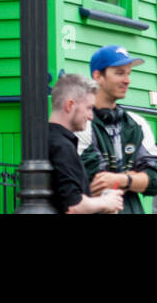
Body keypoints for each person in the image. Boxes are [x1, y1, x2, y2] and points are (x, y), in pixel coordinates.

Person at [77, 45, 157, 214]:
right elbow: (98, 180)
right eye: (119, 73)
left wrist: (121, 179)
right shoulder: (80, 123)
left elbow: (156, 176)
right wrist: (136, 180)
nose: (127, 80)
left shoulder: (136, 123)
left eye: (128, 73)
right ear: (98, 76)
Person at [48, 74, 124, 214]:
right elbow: (74, 206)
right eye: (89, 108)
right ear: (70, 105)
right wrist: (106, 202)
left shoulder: (45, 140)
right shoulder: (62, 146)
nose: (91, 116)